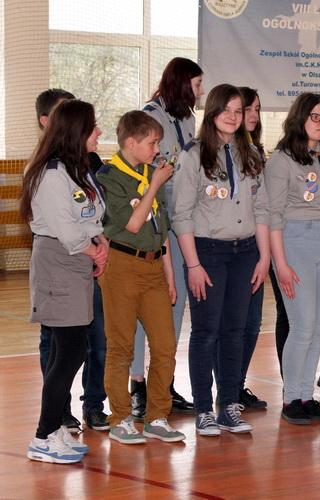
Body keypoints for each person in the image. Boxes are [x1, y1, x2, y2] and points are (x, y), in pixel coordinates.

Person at [172, 84, 269, 435]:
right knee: (206, 331)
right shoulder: (194, 155)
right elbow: (181, 214)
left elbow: (262, 208)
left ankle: (228, 405)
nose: (233, 116)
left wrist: (264, 258)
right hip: (208, 253)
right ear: (212, 111)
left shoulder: (251, 154)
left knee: (235, 331)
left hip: (246, 252)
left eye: (238, 111)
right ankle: (203, 409)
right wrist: (193, 265)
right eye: (226, 109)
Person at [21, 99, 107, 463]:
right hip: (59, 259)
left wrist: (99, 242)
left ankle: (54, 427)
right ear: (76, 131)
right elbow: (65, 229)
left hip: (79, 259)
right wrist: (93, 251)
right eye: (93, 126)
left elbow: (91, 214)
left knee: (66, 349)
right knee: (69, 351)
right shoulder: (52, 174)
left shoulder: (77, 168)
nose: (99, 132)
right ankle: (43, 436)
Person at [97, 111, 185, 444]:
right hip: (121, 266)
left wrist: (170, 275)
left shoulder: (151, 172)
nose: (157, 149)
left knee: (165, 345)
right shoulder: (109, 176)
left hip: (153, 268)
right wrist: (156, 184)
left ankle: (157, 416)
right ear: (131, 143)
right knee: (121, 346)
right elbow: (133, 224)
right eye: (152, 143)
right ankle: (120, 417)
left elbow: (161, 231)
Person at [266, 92, 320, 425]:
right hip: (295, 241)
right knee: (302, 325)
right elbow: (273, 215)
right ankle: (291, 399)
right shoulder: (281, 159)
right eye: (315, 116)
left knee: (317, 326)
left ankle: (306, 395)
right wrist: (280, 263)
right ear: (299, 118)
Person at [132, 57, 204, 418]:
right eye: (197, 84)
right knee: (143, 307)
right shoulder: (150, 116)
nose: (201, 92)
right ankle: (137, 384)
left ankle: (165, 382)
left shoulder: (188, 118)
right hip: (154, 222)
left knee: (175, 304)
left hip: (182, 221)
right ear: (181, 82)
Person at [234, 86, 269, 410]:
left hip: (256, 249)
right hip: (230, 248)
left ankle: (236, 384)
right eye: (248, 109)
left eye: (257, 109)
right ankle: (226, 388)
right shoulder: (222, 151)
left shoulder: (257, 152)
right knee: (230, 324)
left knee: (251, 323)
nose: (254, 115)